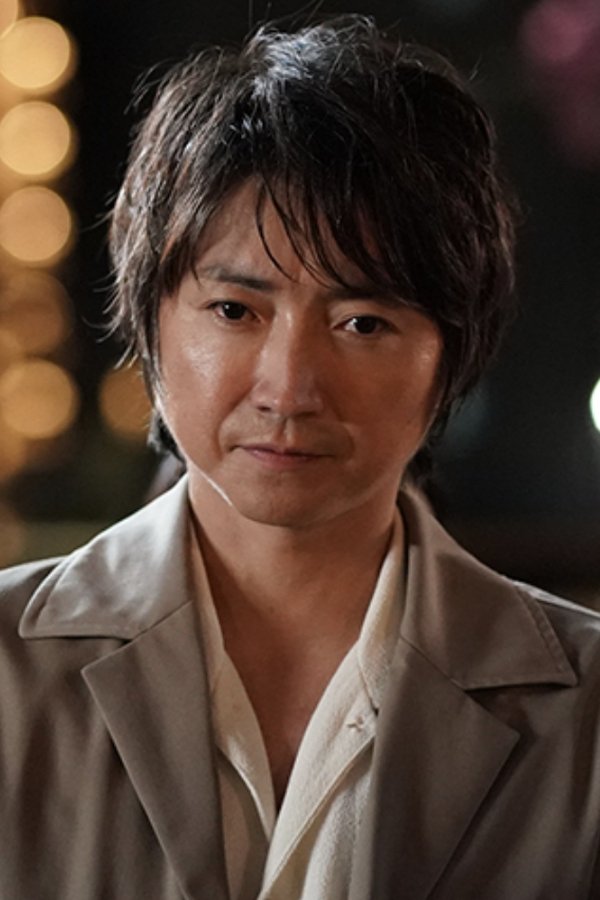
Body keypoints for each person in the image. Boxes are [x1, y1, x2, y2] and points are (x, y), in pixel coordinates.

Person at [1, 15, 600, 900]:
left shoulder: (585, 708)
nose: (288, 388)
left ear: (452, 355)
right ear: (151, 319)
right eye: (234, 311)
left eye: (363, 323)